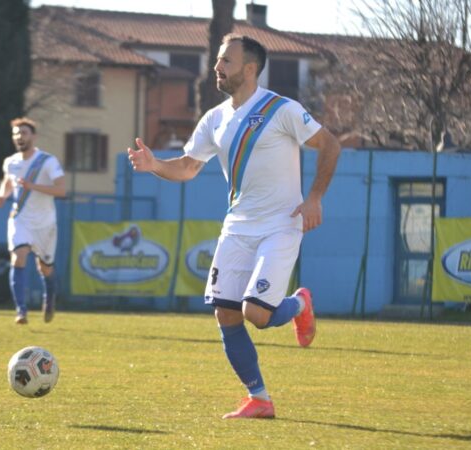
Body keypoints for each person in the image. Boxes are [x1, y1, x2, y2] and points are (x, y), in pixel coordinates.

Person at [128, 34, 341, 419]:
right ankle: (259, 399)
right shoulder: (215, 118)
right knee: (226, 314)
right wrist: (155, 164)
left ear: (250, 68)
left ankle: (298, 304)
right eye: (218, 60)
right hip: (238, 228)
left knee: (256, 314)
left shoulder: (281, 109)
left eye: (226, 60)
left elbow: (330, 145)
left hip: (281, 225)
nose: (217, 67)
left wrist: (314, 198)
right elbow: (189, 166)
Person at [0, 117, 66, 325]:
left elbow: (61, 190)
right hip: (20, 219)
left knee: (45, 268)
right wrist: (1, 196)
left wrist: (33, 186)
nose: (19, 137)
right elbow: (8, 182)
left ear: (33, 136)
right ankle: (21, 310)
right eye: (16, 133)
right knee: (18, 257)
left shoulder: (47, 161)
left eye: (23, 133)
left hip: (45, 224)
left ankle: (49, 296)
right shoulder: (11, 162)